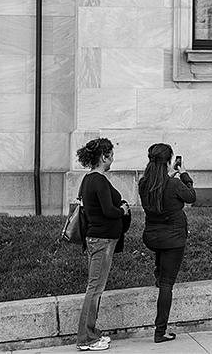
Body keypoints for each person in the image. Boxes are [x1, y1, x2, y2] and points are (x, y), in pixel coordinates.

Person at [76, 137, 130, 351]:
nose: (113, 159)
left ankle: (92, 333)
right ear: (104, 156)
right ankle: (85, 339)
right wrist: (123, 210)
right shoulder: (98, 180)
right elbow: (108, 211)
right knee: (94, 289)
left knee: (96, 288)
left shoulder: (89, 179)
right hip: (101, 240)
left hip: (99, 239)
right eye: (111, 155)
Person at [138, 143, 196, 344]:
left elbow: (158, 188)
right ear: (169, 161)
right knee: (166, 285)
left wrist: (169, 176)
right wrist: (185, 175)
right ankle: (160, 331)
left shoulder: (144, 183)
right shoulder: (174, 184)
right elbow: (191, 197)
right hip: (172, 238)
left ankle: (158, 270)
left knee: (162, 262)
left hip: (153, 237)